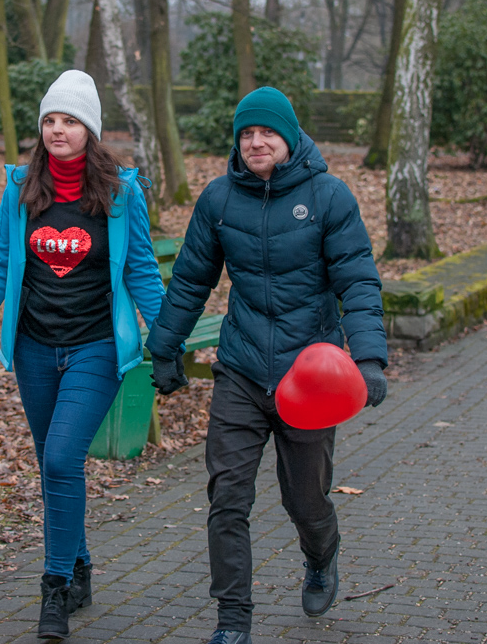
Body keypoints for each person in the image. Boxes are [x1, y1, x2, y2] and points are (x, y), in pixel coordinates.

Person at [145, 87, 388, 644]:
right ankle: (232, 621)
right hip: (242, 369)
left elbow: (357, 279)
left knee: (305, 499)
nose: (255, 142)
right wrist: (166, 347)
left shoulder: (329, 197)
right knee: (227, 496)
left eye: (267, 133)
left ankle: (321, 554)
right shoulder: (218, 200)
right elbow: (190, 281)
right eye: (246, 134)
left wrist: (369, 359)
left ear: (290, 137)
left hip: (311, 377)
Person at [0, 70, 165, 639]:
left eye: (69, 120)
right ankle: (81, 565)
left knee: (63, 460)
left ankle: (54, 589)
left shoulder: (120, 193)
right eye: (49, 120)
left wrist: (167, 337)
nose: (56, 130)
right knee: (53, 468)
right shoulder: (21, 189)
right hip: (35, 350)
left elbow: (141, 269)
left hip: (96, 348)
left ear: (89, 129)